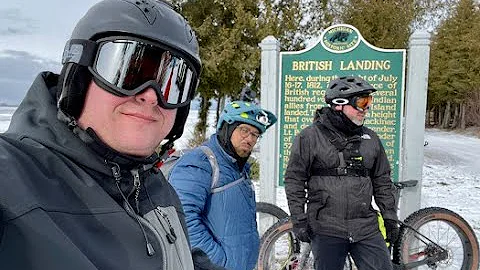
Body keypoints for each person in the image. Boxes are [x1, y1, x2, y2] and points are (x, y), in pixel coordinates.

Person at [0, 0, 225, 269]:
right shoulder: (14, 178)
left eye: (170, 84)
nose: (151, 96)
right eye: (129, 72)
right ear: (79, 78)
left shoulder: (154, 185)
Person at [284, 76, 399, 270]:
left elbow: (382, 180)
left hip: (365, 226)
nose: (366, 108)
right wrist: (299, 219)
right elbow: (294, 179)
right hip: (326, 227)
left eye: (369, 102)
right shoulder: (309, 137)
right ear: (339, 104)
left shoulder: (371, 138)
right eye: (361, 102)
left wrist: (389, 216)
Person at [169, 100, 277, 270]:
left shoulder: (238, 168)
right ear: (227, 128)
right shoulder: (200, 162)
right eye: (244, 130)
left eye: (255, 134)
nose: (249, 139)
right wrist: (216, 261)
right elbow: (182, 219)